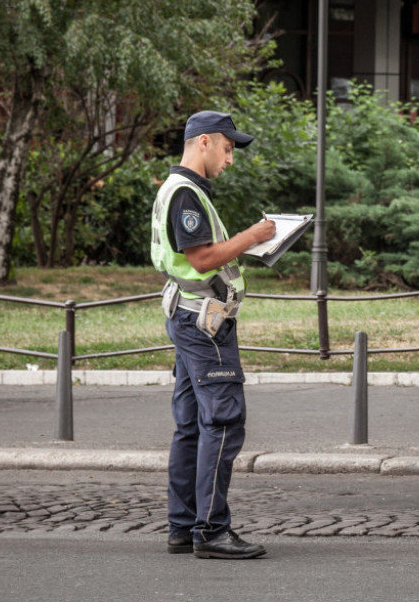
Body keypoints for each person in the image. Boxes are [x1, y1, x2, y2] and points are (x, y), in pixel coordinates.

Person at [150, 110, 276, 559]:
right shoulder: (185, 193)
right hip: (205, 324)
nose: (230, 159)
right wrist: (252, 235)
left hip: (188, 315)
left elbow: (196, 257)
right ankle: (212, 531)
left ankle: (183, 527)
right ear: (203, 142)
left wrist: (252, 241)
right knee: (222, 423)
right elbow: (202, 259)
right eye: (227, 148)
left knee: (190, 426)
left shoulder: (180, 189)